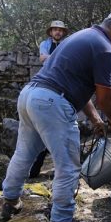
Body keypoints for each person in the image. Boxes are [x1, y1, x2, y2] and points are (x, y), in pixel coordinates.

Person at [0, 9, 111, 222]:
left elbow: (76, 85)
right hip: (51, 102)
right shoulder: (105, 50)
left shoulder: (82, 36)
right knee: (68, 164)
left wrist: (95, 118)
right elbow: (104, 96)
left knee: (24, 153)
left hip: (30, 95)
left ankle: (10, 199)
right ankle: (62, 219)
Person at [30, 20, 69, 178]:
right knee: (44, 130)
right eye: (55, 30)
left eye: (60, 30)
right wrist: (60, 57)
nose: (58, 32)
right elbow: (43, 58)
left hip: (63, 88)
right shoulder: (44, 44)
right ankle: (35, 169)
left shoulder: (67, 43)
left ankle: (61, 170)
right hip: (48, 87)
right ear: (51, 32)